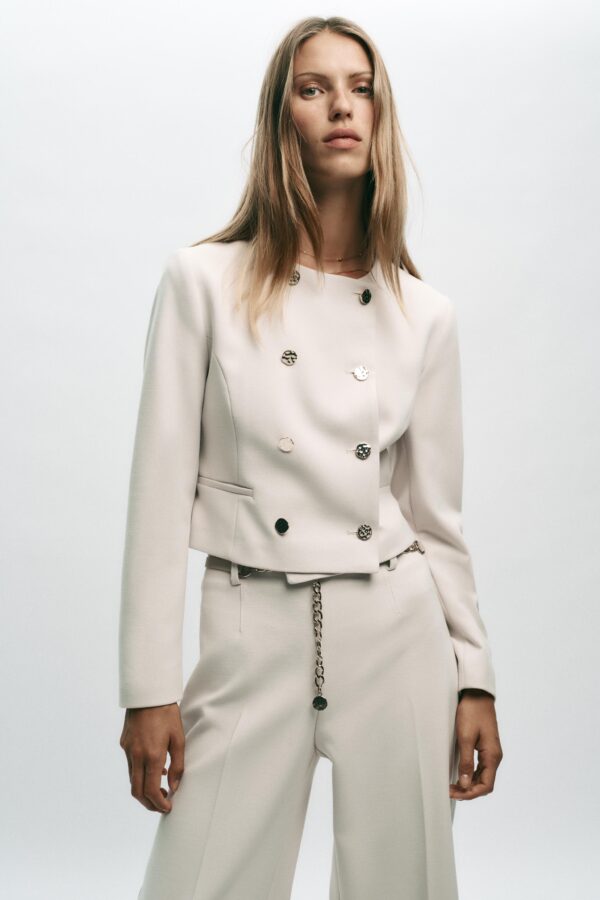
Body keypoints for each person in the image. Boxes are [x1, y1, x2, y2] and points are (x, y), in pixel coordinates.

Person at [118, 15, 503, 900]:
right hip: (251, 620)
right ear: (280, 115)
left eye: (361, 89)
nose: (342, 107)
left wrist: (475, 680)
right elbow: (156, 496)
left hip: (398, 630)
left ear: (382, 116)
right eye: (314, 88)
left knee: (403, 885)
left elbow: (437, 519)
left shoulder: (424, 315)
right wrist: (147, 688)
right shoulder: (202, 282)